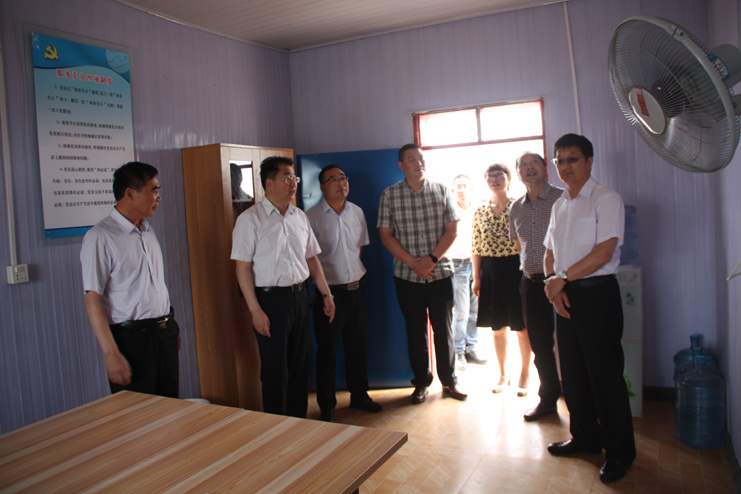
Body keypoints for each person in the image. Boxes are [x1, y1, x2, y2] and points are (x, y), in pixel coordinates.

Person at [543, 134, 635, 484]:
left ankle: (620, 453)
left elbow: (604, 253)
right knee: (573, 374)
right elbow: (549, 250)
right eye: (560, 160)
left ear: (589, 161)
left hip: (597, 296)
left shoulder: (606, 198)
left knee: (605, 377)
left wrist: (561, 279)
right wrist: (553, 285)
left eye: (573, 158)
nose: (565, 166)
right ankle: (585, 438)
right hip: (565, 296)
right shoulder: (560, 204)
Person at [231, 156, 335, 418]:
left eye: (294, 178)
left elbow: (311, 259)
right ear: (269, 182)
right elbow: (242, 269)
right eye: (287, 178)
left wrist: (326, 293)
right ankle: (276, 427)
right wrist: (255, 311)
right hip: (270, 302)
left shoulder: (299, 216)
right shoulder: (250, 219)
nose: (293, 184)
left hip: (300, 297)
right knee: (275, 371)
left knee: (300, 367)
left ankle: (298, 423)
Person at [81, 161, 179, 398]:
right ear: (130, 194)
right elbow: (92, 300)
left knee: (170, 409)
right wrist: (111, 354)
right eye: (154, 191)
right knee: (138, 413)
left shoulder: (147, 230)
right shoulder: (101, 236)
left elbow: (154, 286)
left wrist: (169, 327)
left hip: (163, 334)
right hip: (132, 340)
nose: (159, 197)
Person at [377, 143, 467, 404]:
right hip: (407, 277)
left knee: (444, 329)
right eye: (412, 160)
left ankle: (449, 381)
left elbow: (452, 230)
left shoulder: (442, 190)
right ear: (401, 165)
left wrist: (431, 260)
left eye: (421, 159)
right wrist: (414, 263)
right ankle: (421, 382)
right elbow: (386, 235)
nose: (419, 163)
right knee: (415, 331)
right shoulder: (390, 194)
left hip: (440, 273)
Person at [306, 164, 384, 422]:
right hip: (329, 294)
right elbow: (309, 259)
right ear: (322, 187)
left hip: (357, 290)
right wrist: (326, 291)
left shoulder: (357, 212)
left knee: (357, 347)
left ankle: (359, 395)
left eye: (343, 178)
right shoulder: (311, 217)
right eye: (333, 179)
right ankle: (327, 405)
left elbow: (358, 250)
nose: (341, 183)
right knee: (327, 352)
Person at [509, 152, 563, 421]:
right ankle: (548, 399)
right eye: (523, 165)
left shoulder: (563, 198)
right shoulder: (515, 207)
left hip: (563, 283)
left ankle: (579, 400)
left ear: (545, 168)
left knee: (571, 346)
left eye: (535, 163)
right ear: (518, 174)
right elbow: (518, 245)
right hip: (530, 284)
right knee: (540, 348)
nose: (529, 168)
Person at [472, 164, 531, 395]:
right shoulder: (480, 211)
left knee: (522, 327)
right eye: (490, 176)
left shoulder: (520, 205)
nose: (494, 179)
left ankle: (525, 374)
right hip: (491, 272)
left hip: (517, 270)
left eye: (499, 175)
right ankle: (502, 374)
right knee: (497, 327)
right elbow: (476, 246)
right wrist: (477, 278)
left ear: (508, 179)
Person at [448, 174, 486, 371]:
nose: (462, 190)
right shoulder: (449, 210)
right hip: (458, 265)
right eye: (458, 187)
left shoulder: (479, 209)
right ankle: (458, 352)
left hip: (477, 264)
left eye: (465, 186)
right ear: (453, 190)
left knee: (475, 310)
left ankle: (471, 348)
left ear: (471, 189)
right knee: (461, 311)